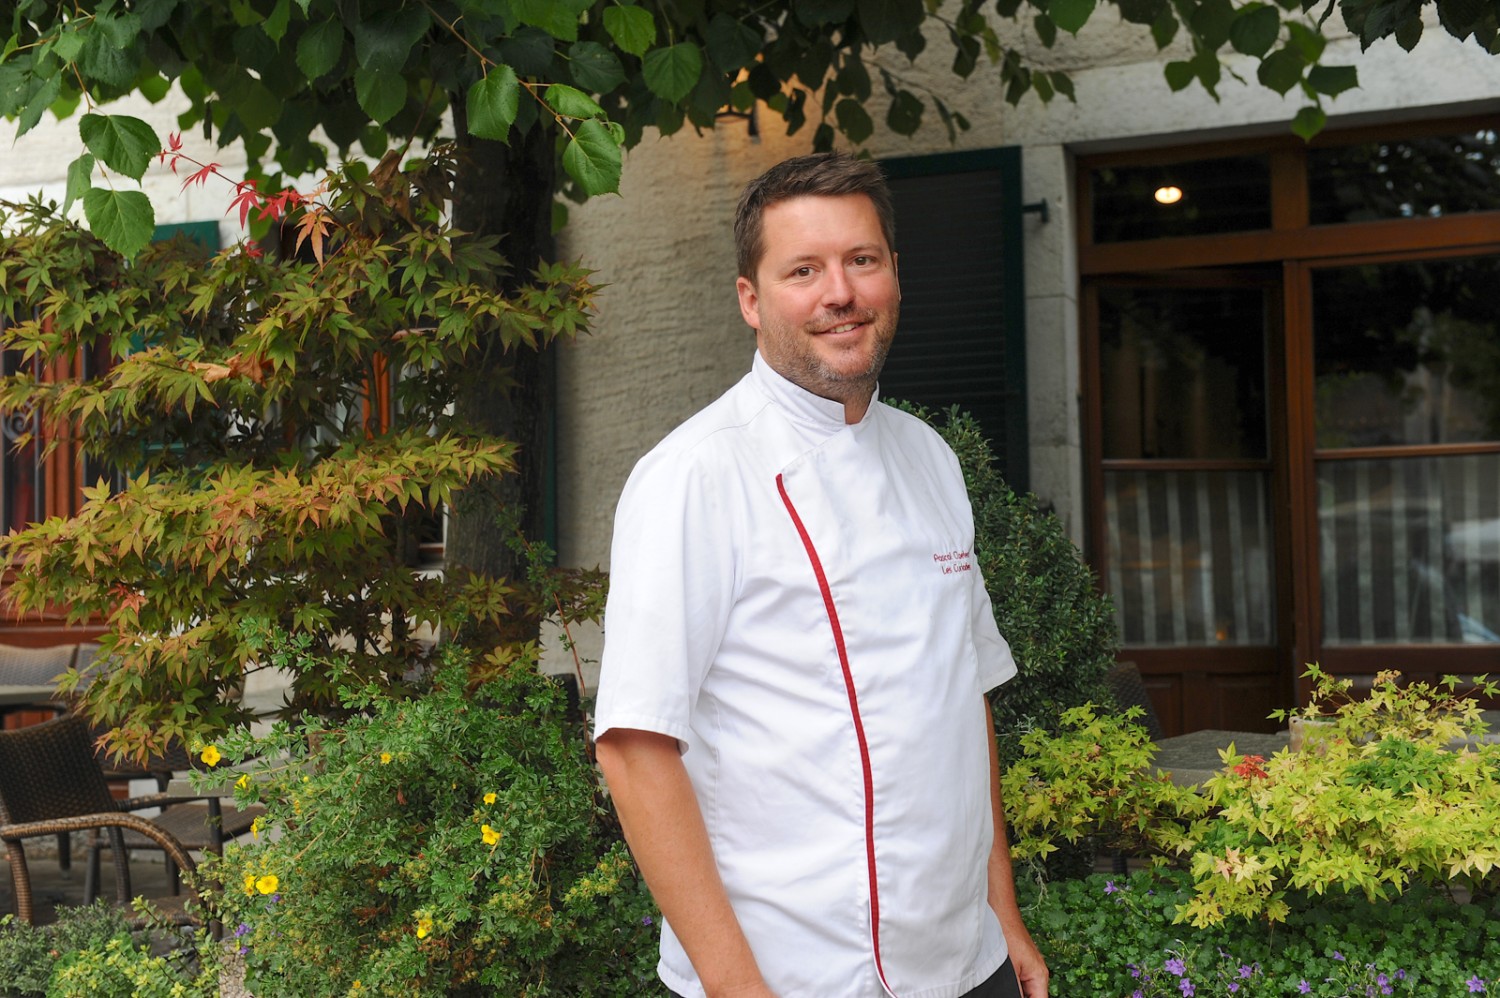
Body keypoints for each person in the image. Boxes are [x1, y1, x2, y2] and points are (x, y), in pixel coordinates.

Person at [593, 152, 1049, 998]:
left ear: (894, 277)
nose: (839, 293)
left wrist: (1004, 917)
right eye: (803, 270)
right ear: (751, 299)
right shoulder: (695, 474)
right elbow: (634, 749)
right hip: (789, 975)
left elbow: (963, 699)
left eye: (861, 260)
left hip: (967, 963)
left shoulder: (930, 458)